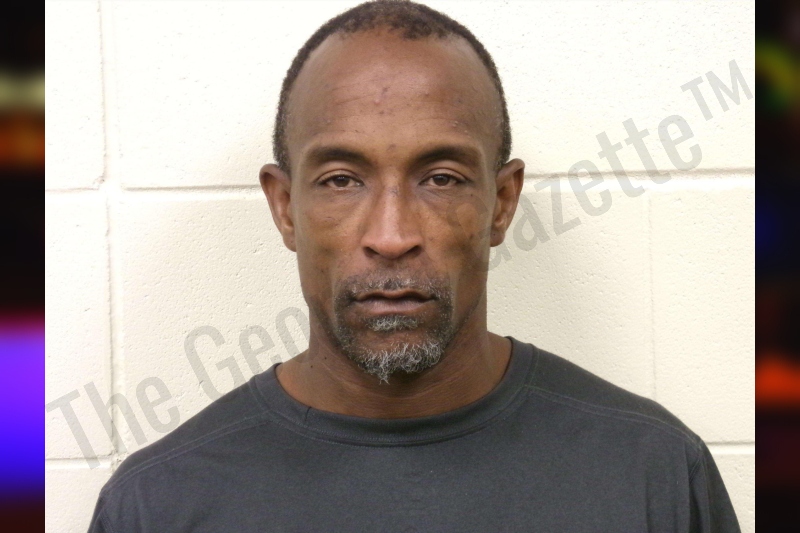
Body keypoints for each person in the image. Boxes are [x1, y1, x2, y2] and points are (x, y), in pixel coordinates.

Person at [88, 1, 740, 531]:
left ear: (501, 203)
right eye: (342, 180)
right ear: (285, 207)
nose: (392, 235)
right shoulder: (159, 504)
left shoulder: (652, 473)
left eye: (441, 178)